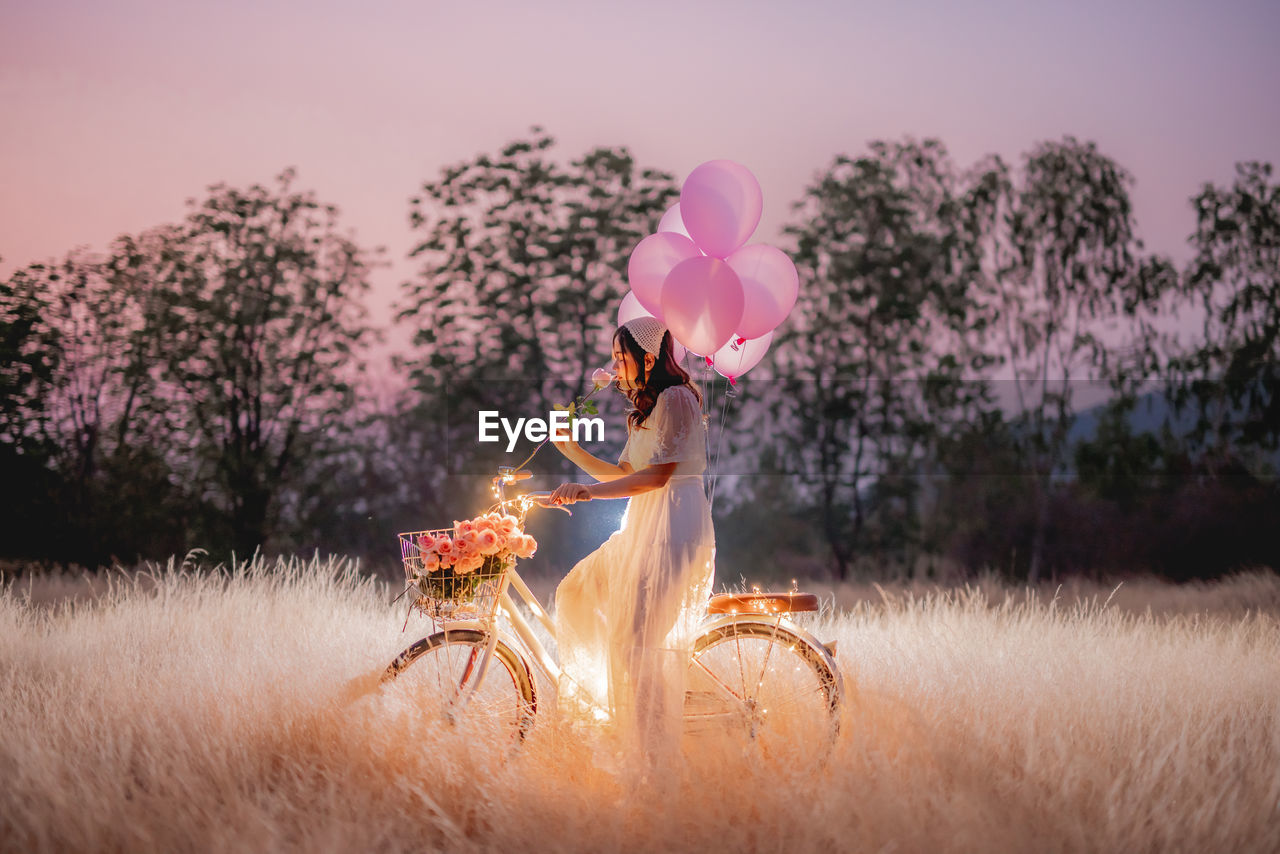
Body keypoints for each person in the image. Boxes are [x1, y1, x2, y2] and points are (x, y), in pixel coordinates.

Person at [548, 316, 715, 758]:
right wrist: (573, 452)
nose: (615, 366)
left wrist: (587, 494)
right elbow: (624, 474)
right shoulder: (646, 408)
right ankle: (621, 723)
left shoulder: (678, 398)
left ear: (646, 357)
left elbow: (658, 477)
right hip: (643, 522)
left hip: (674, 522)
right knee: (578, 592)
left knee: (638, 646)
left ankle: (653, 755)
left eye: (620, 358)